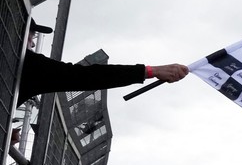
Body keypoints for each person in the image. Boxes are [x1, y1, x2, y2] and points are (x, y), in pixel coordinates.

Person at [17, 23, 188, 104]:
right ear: (19, 32)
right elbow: (83, 77)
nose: (32, 44)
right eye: (32, 37)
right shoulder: (27, 64)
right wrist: (151, 71)